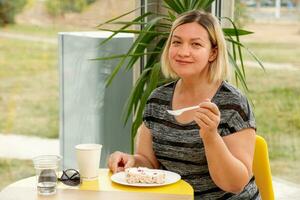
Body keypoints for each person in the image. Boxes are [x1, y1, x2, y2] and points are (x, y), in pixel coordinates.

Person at [108, 10, 261, 199]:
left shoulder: (233, 104)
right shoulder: (158, 99)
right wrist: (132, 162)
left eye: (196, 44)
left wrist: (211, 136)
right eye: (177, 42)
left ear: (213, 53)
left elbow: (235, 184)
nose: (183, 52)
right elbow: (150, 162)